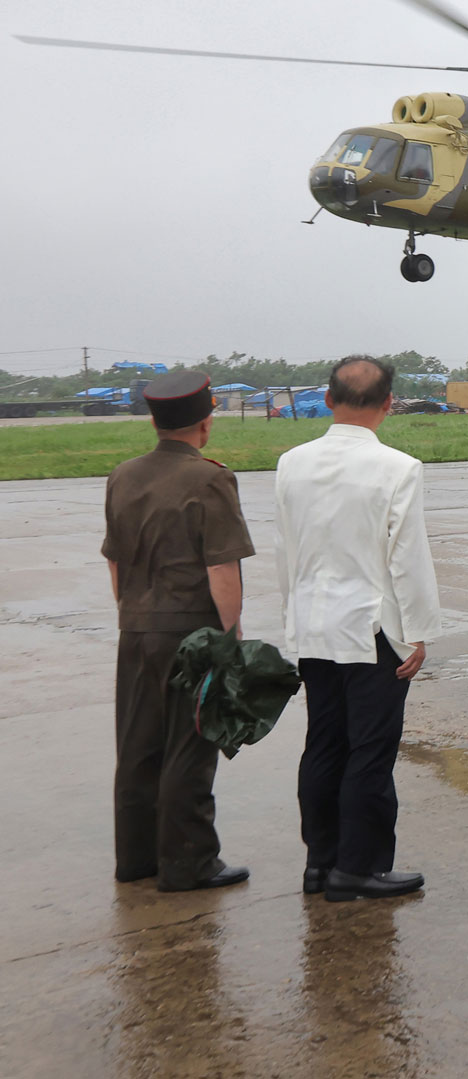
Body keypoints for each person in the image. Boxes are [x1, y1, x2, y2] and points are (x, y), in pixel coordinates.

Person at [275, 356, 440, 902]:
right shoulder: (397, 468)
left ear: (327, 398)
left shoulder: (291, 463)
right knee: (370, 751)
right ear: (389, 403)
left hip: (313, 623)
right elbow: (407, 558)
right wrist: (417, 631)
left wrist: (292, 618)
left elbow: (286, 551)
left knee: (323, 743)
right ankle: (360, 865)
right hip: (370, 627)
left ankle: (320, 864)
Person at [102, 371, 256, 891]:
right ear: (205, 421)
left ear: (154, 420)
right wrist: (230, 638)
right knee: (191, 746)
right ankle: (188, 863)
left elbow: (116, 562)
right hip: (192, 631)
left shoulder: (123, 475)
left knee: (138, 745)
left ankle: (137, 859)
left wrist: (133, 612)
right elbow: (221, 568)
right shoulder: (210, 478)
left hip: (137, 626)